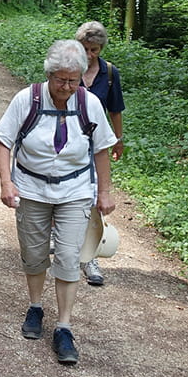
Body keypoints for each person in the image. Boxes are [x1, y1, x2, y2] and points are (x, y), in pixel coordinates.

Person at [0, 40, 117, 365]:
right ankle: (35, 307)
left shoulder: (89, 104)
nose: (65, 87)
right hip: (31, 189)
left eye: (72, 80)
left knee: (68, 255)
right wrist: (7, 182)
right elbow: (4, 142)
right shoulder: (27, 99)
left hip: (74, 191)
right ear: (49, 75)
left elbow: (101, 149)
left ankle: (64, 326)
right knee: (33, 253)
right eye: (60, 79)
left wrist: (104, 192)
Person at [73, 21, 125, 286]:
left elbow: (115, 109)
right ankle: (66, 247)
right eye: (85, 49)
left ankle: (90, 256)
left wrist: (118, 140)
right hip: (68, 141)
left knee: (94, 197)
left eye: (94, 50)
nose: (89, 54)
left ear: (101, 48)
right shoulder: (68, 69)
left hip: (97, 144)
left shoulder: (110, 74)